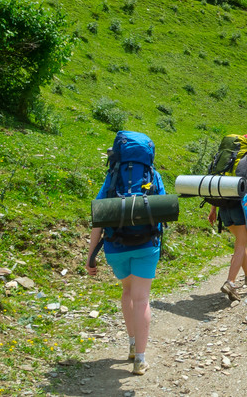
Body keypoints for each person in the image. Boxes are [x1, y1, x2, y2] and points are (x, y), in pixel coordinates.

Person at [86, 139, 165, 376]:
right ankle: (140, 360)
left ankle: (131, 345)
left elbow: (98, 216)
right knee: (142, 299)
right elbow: (161, 211)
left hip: (115, 246)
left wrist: (91, 256)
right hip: (146, 246)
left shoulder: (113, 176)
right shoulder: (153, 175)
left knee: (127, 292)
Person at [208, 132, 247, 302]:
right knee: (241, 245)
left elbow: (218, 184)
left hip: (223, 206)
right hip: (241, 205)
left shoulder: (228, 162)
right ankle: (230, 282)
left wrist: (213, 209)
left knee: (240, 242)